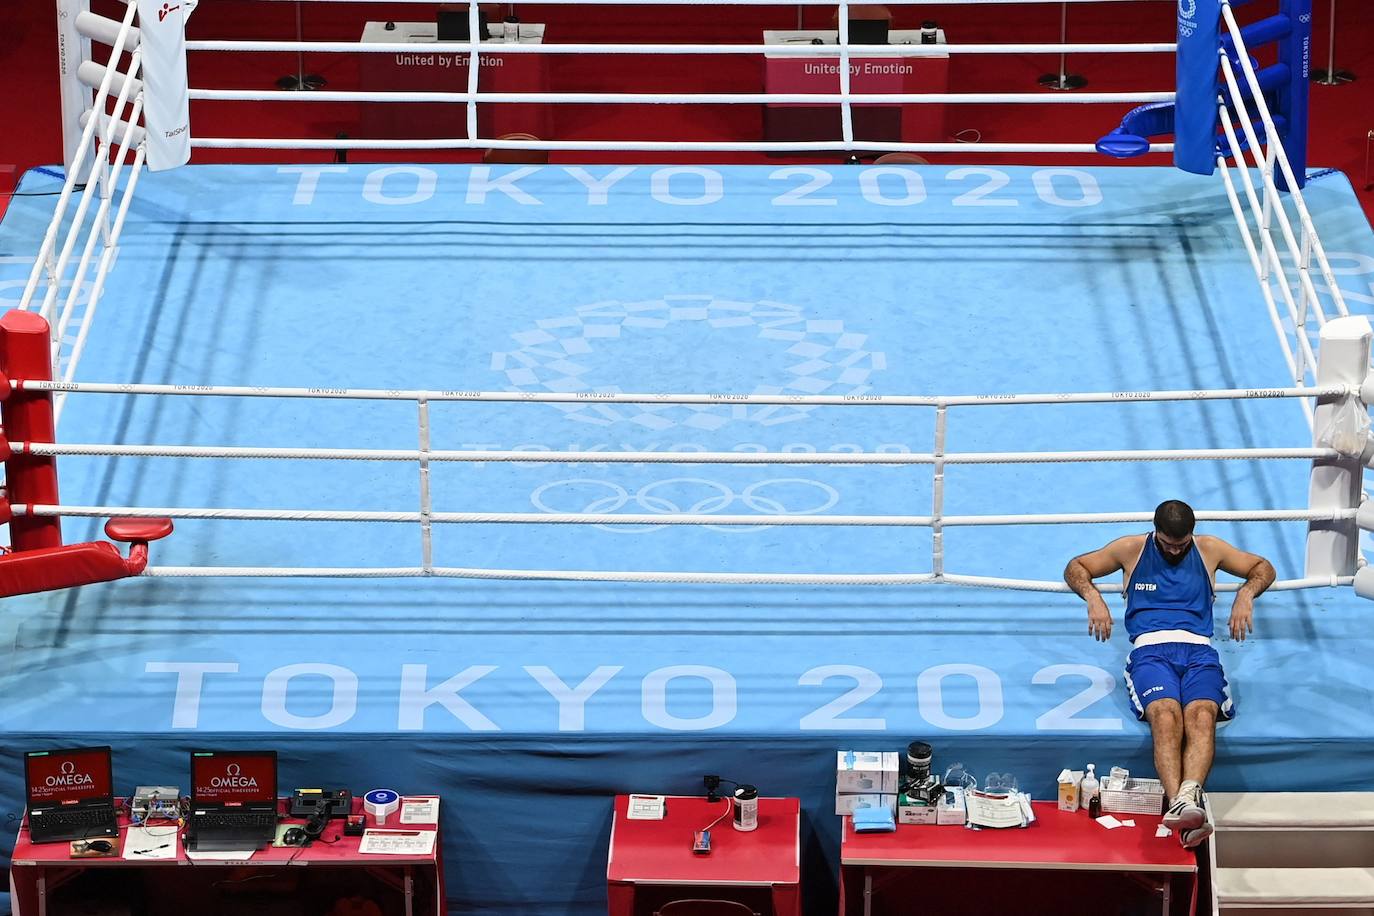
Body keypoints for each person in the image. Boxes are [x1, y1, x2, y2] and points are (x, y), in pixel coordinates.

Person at [1063, 499, 1275, 848]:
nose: (1176, 549)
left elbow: (1262, 567)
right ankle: (1187, 809)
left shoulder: (1208, 549)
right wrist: (1093, 597)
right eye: (1169, 543)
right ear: (1156, 532)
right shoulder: (1132, 549)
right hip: (1149, 651)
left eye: (1182, 543)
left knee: (1202, 716)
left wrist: (1245, 593)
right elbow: (1076, 566)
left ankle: (1183, 804)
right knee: (1165, 716)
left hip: (1199, 650)